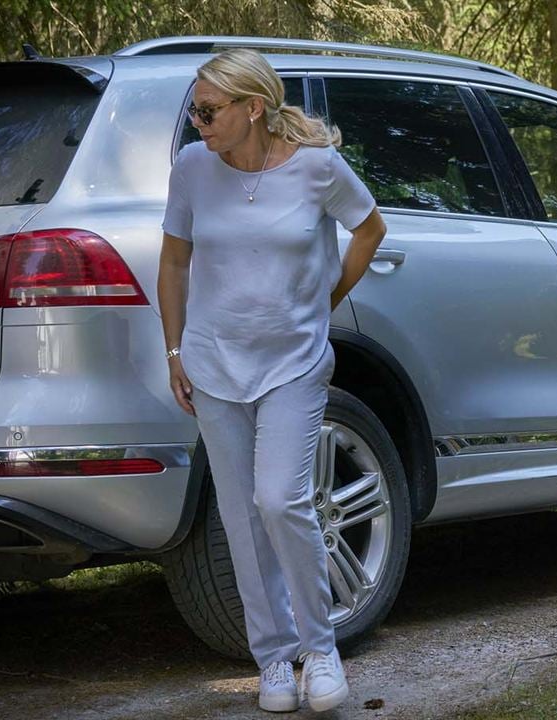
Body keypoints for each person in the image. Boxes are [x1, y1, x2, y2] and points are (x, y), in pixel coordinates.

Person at [157, 48, 385, 712]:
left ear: (252, 108)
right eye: (193, 109)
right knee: (238, 515)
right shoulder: (194, 169)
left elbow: (369, 230)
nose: (197, 121)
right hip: (214, 366)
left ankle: (319, 648)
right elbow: (174, 263)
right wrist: (174, 350)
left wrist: (325, 299)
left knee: (281, 501)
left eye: (208, 110)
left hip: (293, 363)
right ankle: (274, 659)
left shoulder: (317, 168)